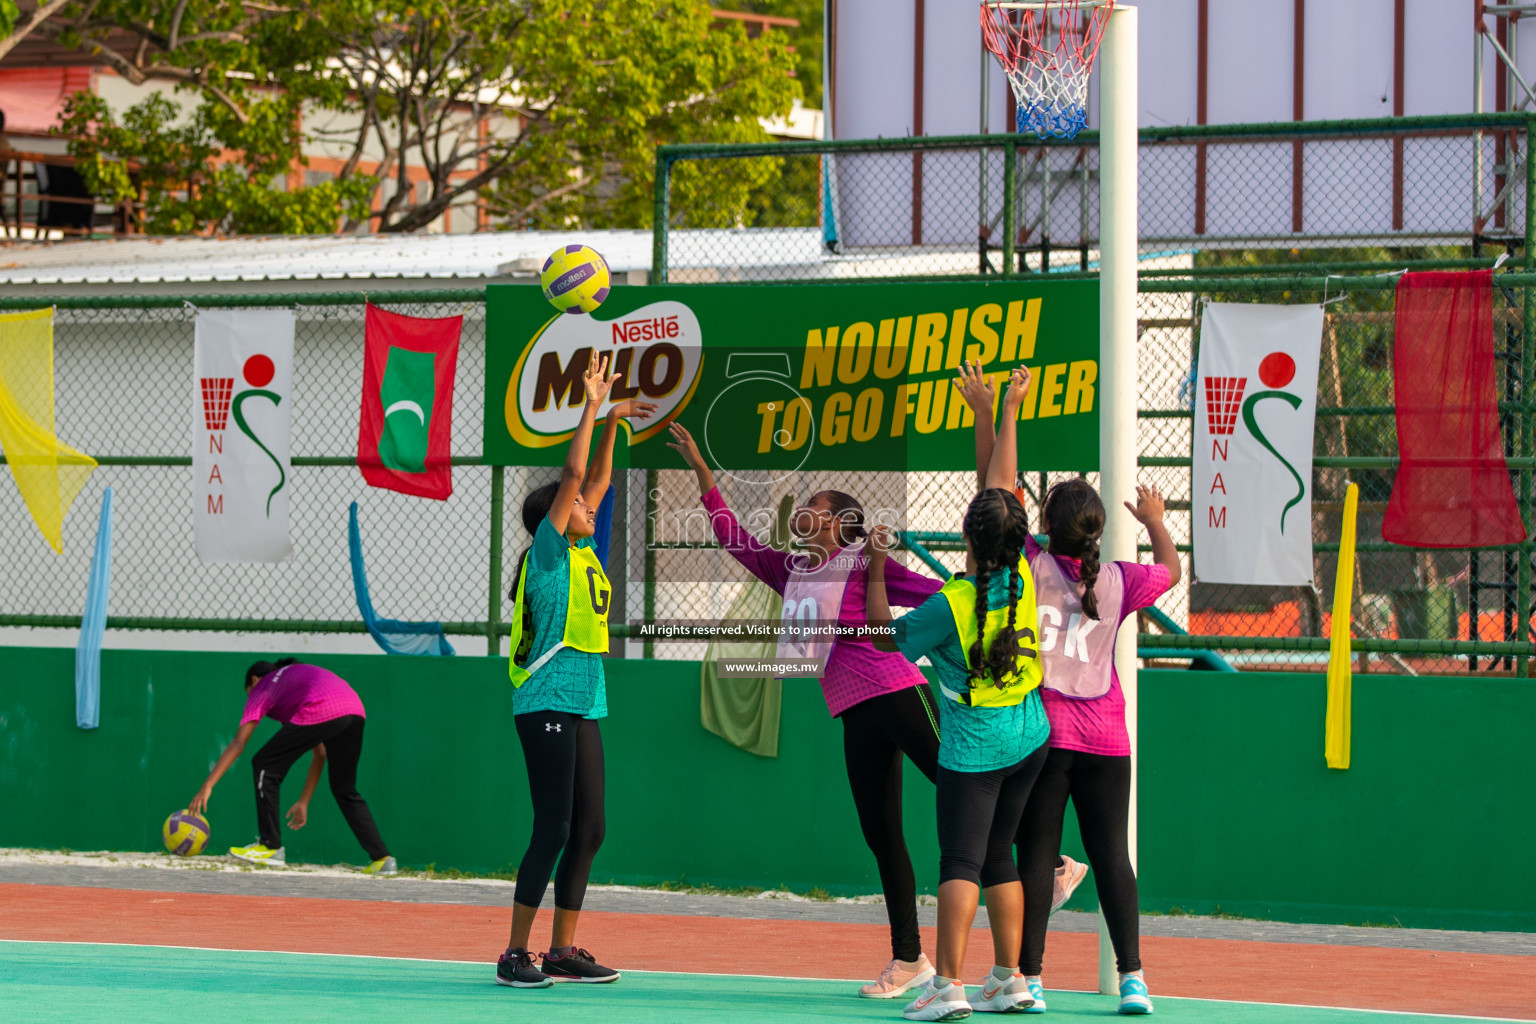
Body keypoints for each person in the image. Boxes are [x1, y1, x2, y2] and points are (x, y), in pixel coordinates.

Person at [667, 420, 946, 999]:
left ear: (841, 524)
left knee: (965, 786)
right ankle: (909, 958)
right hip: (852, 709)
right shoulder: (790, 569)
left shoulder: (865, 561)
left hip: (896, 690)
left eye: (816, 503)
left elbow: (936, 596)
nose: (806, 508)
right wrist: (700, 468)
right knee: (882, 835)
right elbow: (732, 538)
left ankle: (1043, 862)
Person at [868, 367, 1048, 1021]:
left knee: (960, 861)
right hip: (1029, 737)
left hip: (976, 746)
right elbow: (999, 494)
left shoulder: (953, 602)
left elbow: (890, 641)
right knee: (1002, 853)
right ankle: (1012, 978)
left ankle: (947, 986)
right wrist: (1002, 411)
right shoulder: (1022, 573)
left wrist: (878, 571)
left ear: (969, 540)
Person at [496, 350, 654, 990]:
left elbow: (599, 479)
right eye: (577, 504)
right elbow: (574, 471)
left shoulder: (585, 551)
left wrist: (613, 420)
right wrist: (589, 406)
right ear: (553, 521)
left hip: (585, 698)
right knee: (553, 826)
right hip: (546, 701)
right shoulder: (551, 554)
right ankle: (513, 952)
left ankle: (562, 951)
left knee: (590, 828)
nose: (590, 504)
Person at [189, 658, 394, 874]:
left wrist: (207, 786)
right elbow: (321, 753)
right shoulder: (293, 686)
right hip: (354, 709)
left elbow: (239, 743)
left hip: (327, 707)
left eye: (250, 693)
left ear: (255, 680)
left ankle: (270, 846)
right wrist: (303, 801)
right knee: (345, 789)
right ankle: (383, 859)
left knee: (263, 764)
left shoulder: (264, 686)